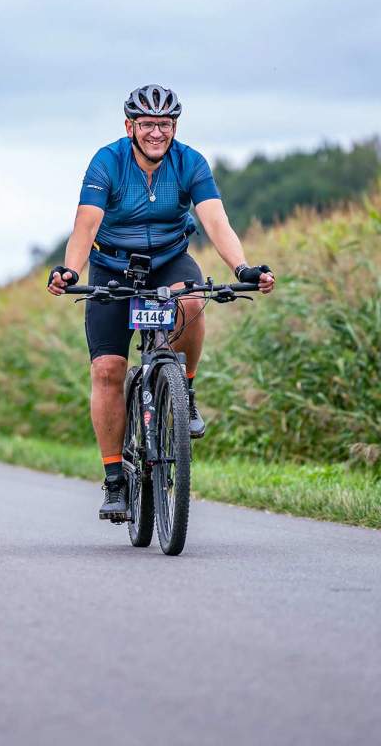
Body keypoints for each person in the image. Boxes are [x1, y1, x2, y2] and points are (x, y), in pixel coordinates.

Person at [47, 85, 275, 520]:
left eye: (165, 125)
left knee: (191, 301)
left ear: (175, 128)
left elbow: (215, 220)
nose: (157, 133)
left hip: (170, 261)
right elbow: (86, 223)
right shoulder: (107, 162)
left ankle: (183, 390)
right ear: (130, 127)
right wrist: (71, 271)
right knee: (108, 370)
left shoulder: (190, 162)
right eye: (148, 125)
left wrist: (243, 268)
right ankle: (115, 480)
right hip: (114, 267)